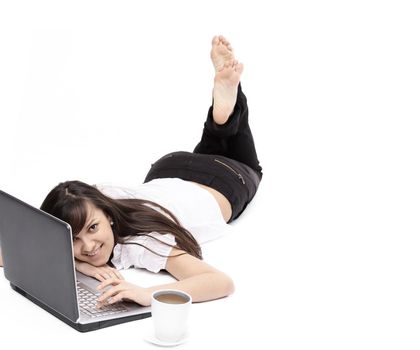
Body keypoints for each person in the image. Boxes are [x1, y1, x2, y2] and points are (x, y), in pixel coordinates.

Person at [0, 36, 262, 307]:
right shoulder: (96, 196)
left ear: (108, 216)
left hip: (225, 179)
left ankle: (225, 110)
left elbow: (222, 282)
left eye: (92, 228)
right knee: (215, 144)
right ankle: (223, 111)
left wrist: (148, 294)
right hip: (169, 167)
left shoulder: (141, 244)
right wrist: (83, 267)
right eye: (74, 239)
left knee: (248, 164)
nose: (88, 247)